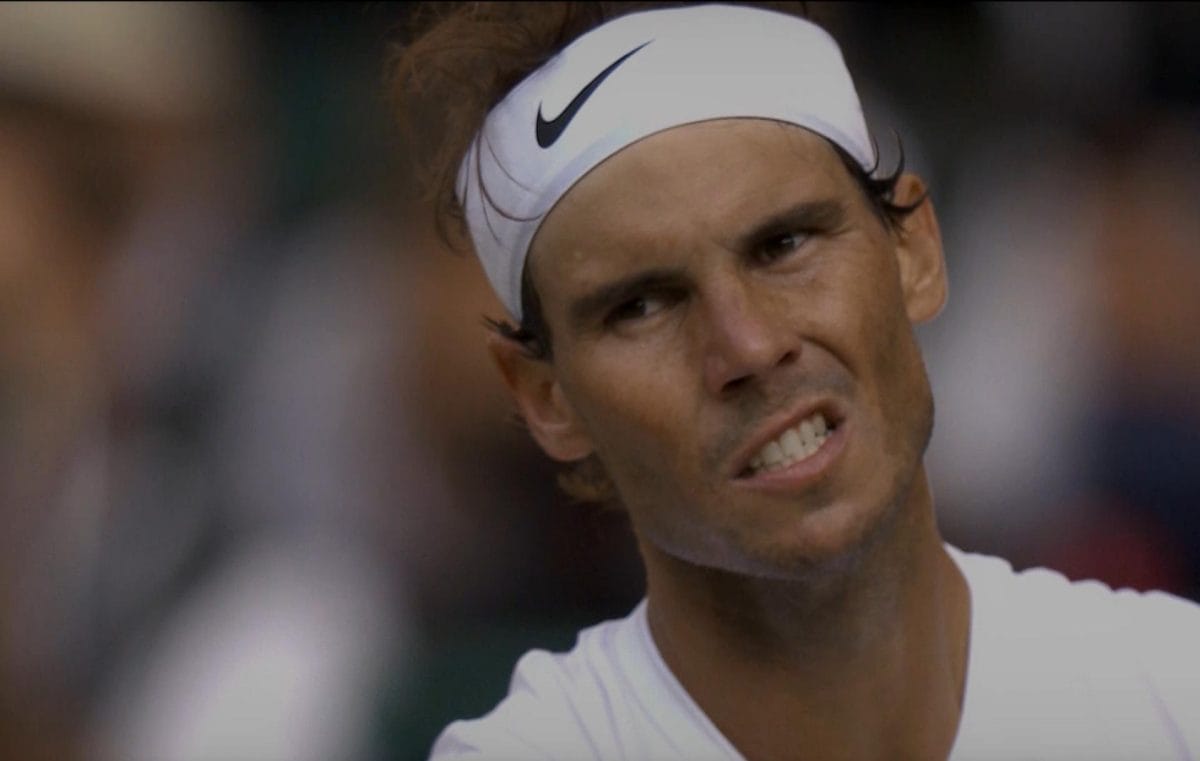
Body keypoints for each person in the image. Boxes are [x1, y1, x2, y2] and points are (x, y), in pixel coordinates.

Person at [391, 3, 1200, 759]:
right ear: (546, 396)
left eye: (784, 244)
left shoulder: (1174, 693)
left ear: (914, 250)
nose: (746, 344)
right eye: (640, 305)